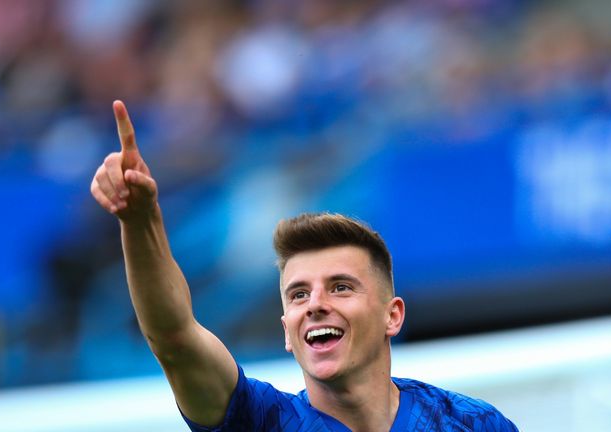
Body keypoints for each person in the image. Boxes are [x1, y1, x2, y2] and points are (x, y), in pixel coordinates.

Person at [90, 100, 519, 431]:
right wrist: (141, 221)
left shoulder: (469, 423)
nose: (315, 304)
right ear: (287, 332)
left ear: (393, 315)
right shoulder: (262, 422)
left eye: (341, 287)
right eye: (298, 294)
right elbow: (174, 337)